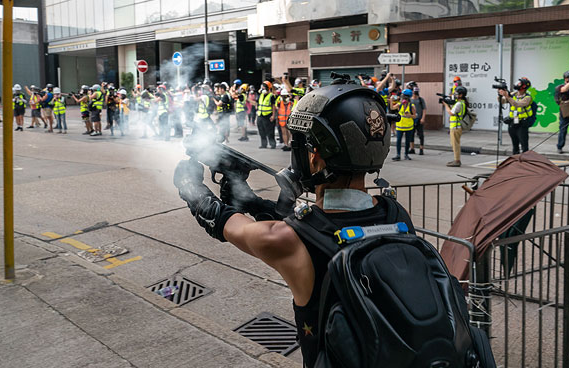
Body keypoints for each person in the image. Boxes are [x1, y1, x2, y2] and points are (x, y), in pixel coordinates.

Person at [172, 82, 431, 367]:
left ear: (314, 155)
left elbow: (222, 222)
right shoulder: (396, 215)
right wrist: (250, 199)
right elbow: (326, 226)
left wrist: (189, 185)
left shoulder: (287, 240)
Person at [498, 77, 534, 155]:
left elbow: (517, 104)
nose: (517, 84)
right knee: (515, 145)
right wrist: (500, 94)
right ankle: (515, 161)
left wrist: (507, 96)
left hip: (522, 123)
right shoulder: (513, 94)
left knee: (524, 146)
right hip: (512, 122)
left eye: (519, 83)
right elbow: (502, 101)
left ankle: (525, 162)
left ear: (524, 87)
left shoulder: (528, 98)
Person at [442, 86, 468, 167]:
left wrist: (445, 104)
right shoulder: (461, 103)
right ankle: (456, 159)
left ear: (461, 95)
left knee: (455, 144)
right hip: (456, 127)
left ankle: (457, 161)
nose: (455, 94)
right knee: (455, 144)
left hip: (456, 127)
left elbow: (451, 113)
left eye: (456, 93)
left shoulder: (459, 104)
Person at [391, 88, 416, 161]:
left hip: (408, 127)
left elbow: (415, 116)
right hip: (400, 126)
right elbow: (392, 108)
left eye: (404, 96)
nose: (403, 98)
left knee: (407, 141)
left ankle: (406, 154)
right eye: (402, 96)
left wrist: (409, 115)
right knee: (398, 141)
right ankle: (398, 155)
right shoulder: (399, 104)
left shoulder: (412, 106)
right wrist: (391, 100)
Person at [256, 80, 276, 149]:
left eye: (264, 87)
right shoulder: (261, 95)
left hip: (268, 116)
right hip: (260, 115)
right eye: (262, 87)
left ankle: (272, 144)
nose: (262, 89)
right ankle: (263, 144)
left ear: (268, 88)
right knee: (261, 131)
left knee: (270, 131)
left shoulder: (271, 96)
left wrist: (273, 115)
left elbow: (273, 106)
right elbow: (258, 104)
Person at [409, 86, 426, 155]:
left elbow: (424, 110)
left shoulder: (421, 100)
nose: (415, 93)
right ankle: (412, 148)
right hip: (412, 119)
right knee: (411, 134)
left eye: (416, 92)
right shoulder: (410, 100)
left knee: (421, 135)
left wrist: (423, 118)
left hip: (419, 119)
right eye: (414, 92)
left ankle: (421, 149)